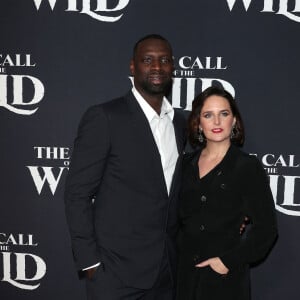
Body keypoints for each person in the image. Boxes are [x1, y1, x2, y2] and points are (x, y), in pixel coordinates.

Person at [64, 34, 186, 300]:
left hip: (167, 273)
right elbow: (77, 193)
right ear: (133, 67)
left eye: (164, 60)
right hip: (116, 276)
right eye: (147, 60)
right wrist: (91, 263)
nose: (157, 67)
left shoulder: (180, 124)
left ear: (172, 67)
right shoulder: (106, 117)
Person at [176, 86, 278, 300]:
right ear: (198, 123)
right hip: (183, 279)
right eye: (208, 115)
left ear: (233, 121)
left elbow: (267, 230)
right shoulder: (184, 165)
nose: (216, 122)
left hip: (225, 283)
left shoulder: (247, 167)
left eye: (224, 114)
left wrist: (227, 262)